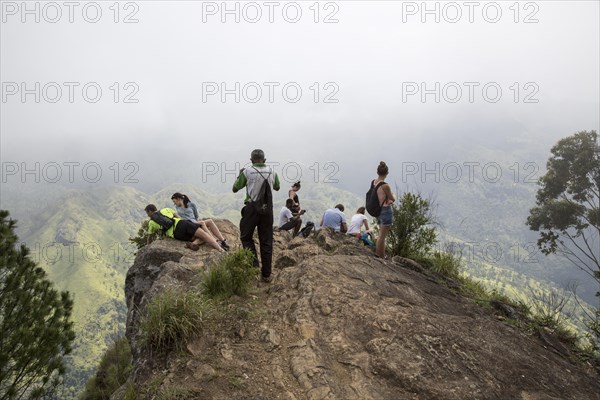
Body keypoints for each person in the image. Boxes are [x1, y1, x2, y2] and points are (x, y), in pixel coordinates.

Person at [232, 149, 280, 283]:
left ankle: (253, 266)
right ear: (264, 160)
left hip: (251, 209)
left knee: (246, 237)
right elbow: (277, 187)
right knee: (266, 240)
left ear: (251, 160)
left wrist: (240, 175)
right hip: (267, 210)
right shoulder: (272, 171)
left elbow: (235, 189)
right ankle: (266, 274)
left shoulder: (247, 171)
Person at [144, 204, 225, 253]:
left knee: (198, 237)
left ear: (150, 211)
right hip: (181, 224)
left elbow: (149, 238)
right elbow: (179, 217)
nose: (147, 215)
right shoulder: (166, 209)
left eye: (147, 213)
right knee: (204, 235)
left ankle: (193, 243)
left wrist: (148, 247)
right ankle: (220, 249)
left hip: (176, 235)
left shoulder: (151, 223)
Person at [373, 161, 396, 258]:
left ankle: (379, 255)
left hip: (378, 211)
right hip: (385, 211)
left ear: (377, 172)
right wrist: (394, 194)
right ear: (387, 173)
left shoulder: (374, 182)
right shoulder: (385, 185)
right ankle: (381, 257)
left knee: (380, 235)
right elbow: (392, 199)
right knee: (382, 237)